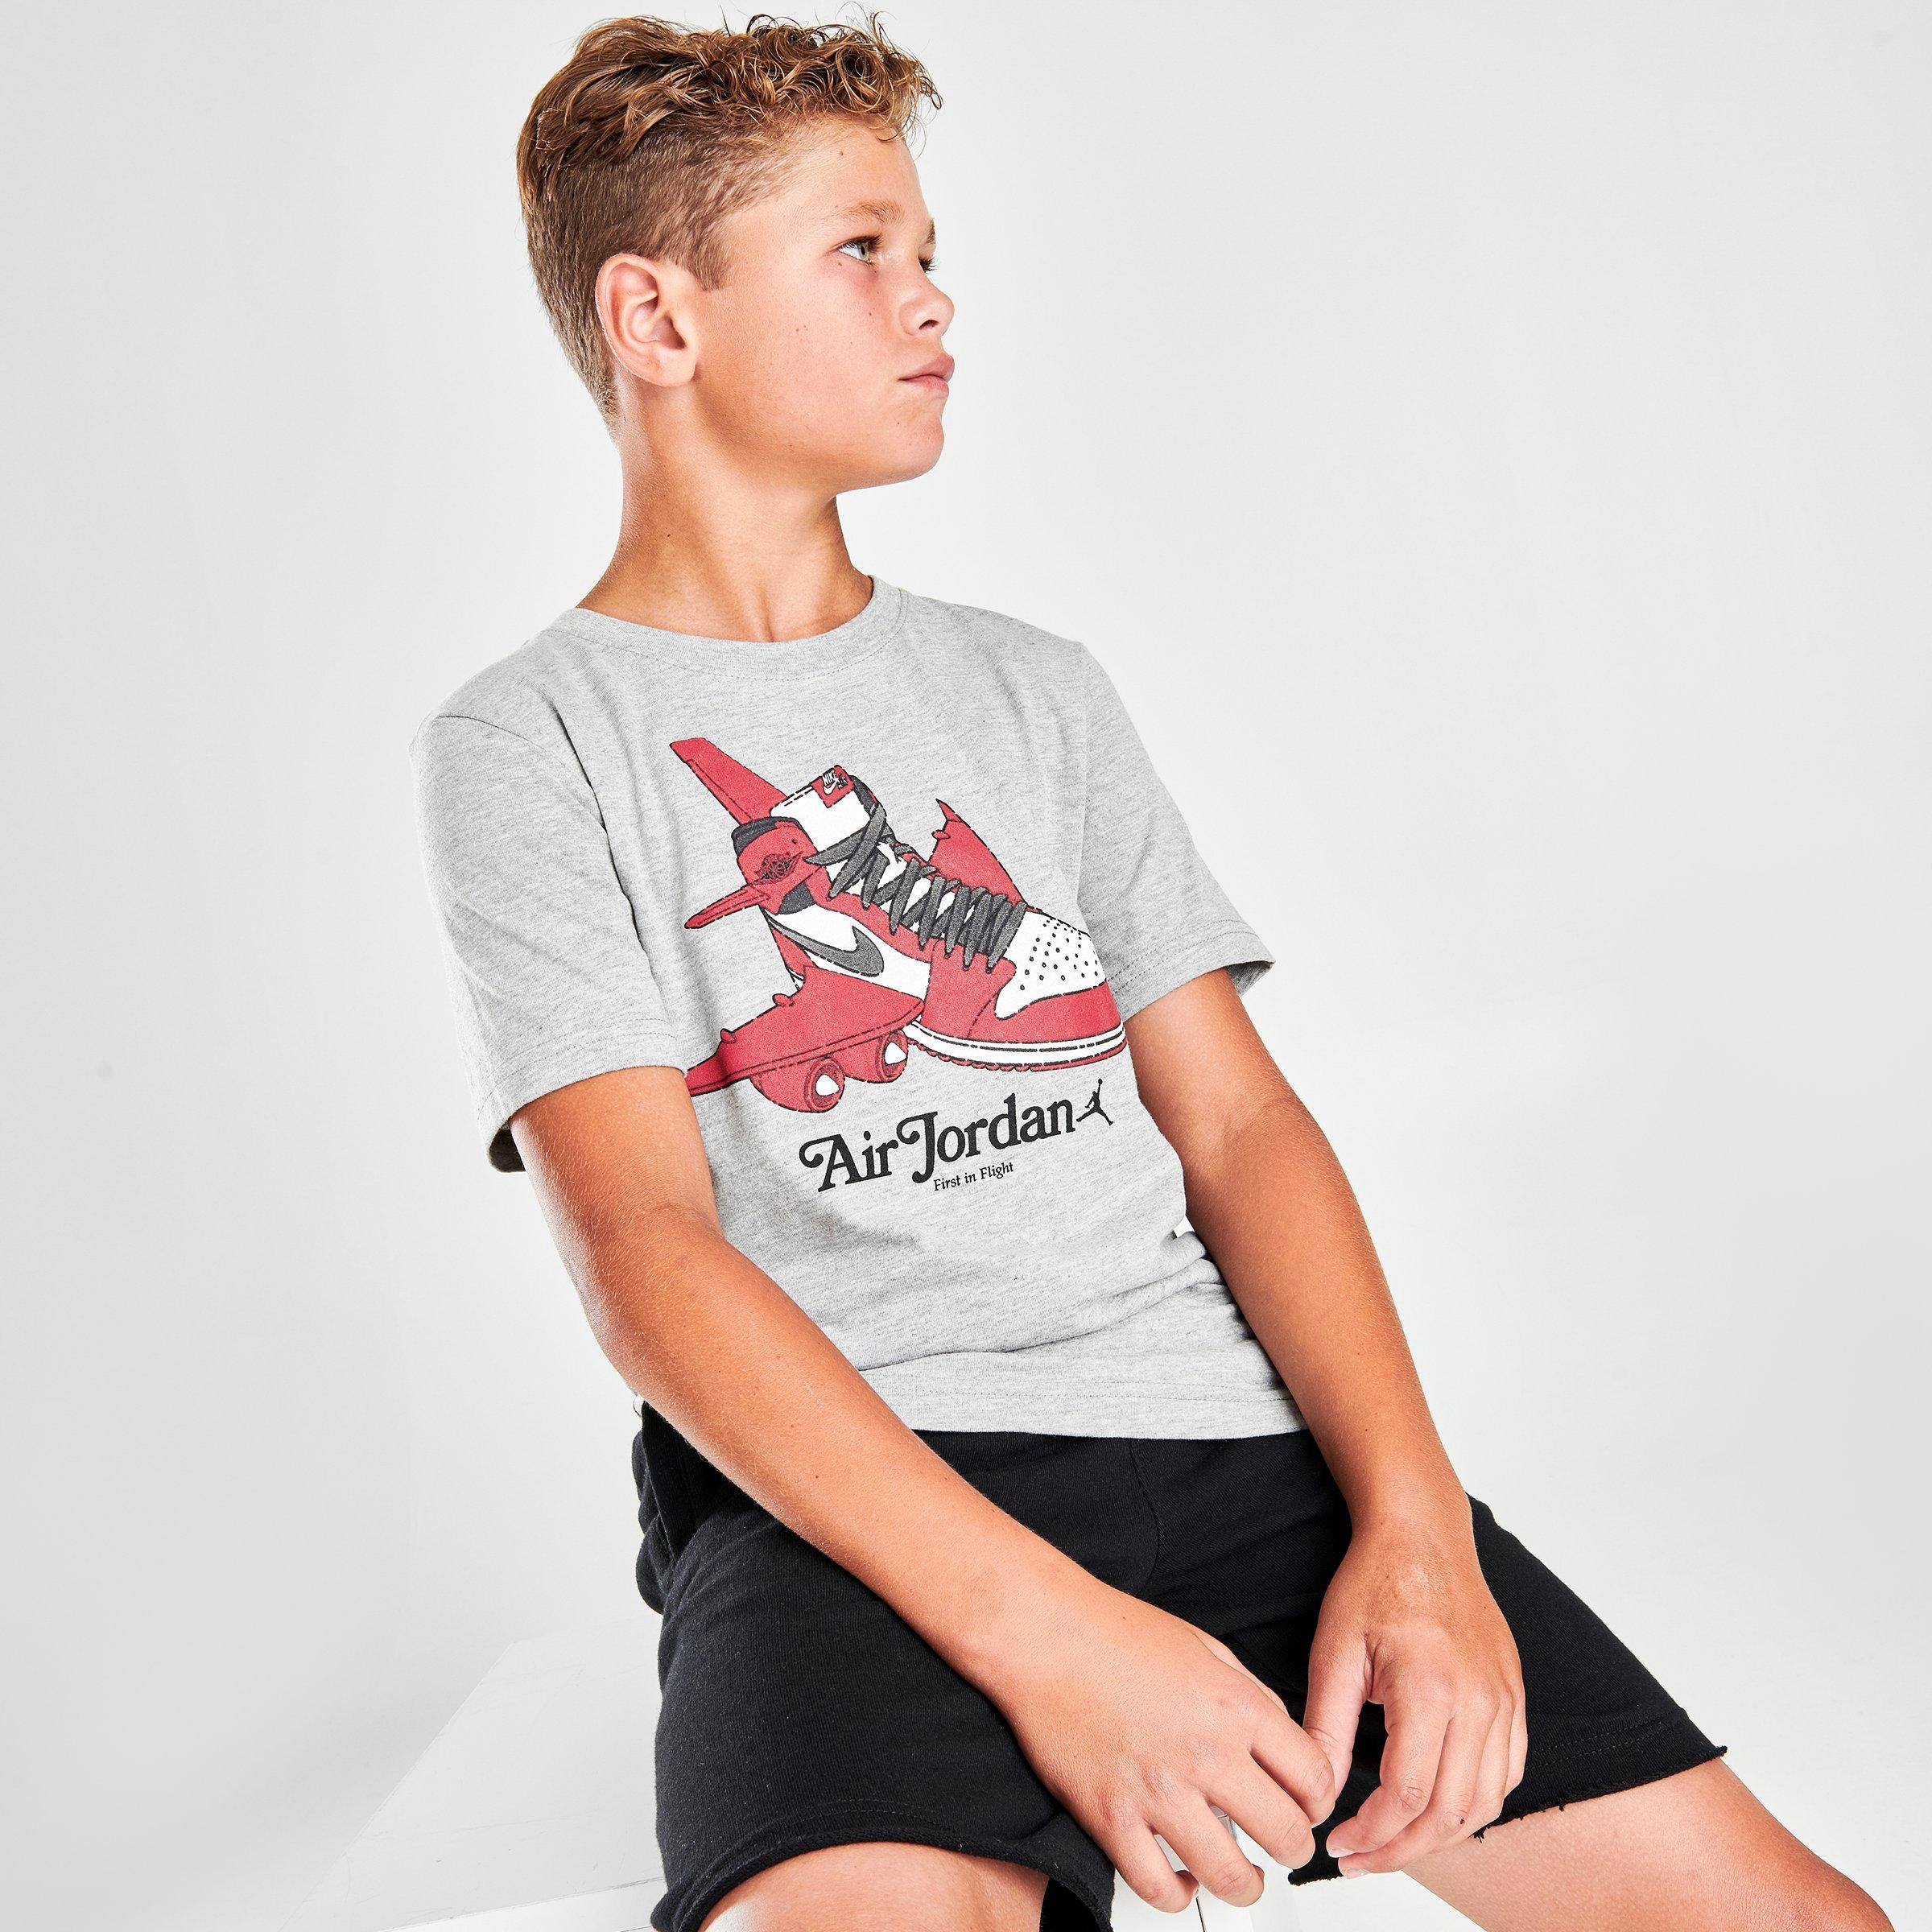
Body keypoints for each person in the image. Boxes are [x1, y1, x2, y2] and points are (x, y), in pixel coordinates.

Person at [407, 15, 1891, 1932]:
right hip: (853, 1510)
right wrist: (1056, 1641)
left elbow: (1241, 1126)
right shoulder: (530, 737)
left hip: (1235, 1443)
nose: (933, 298)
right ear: (656, 317)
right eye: (861, 250)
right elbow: (646, 1254)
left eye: (928, 250)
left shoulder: (1038, 690)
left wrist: (1419, 1530)